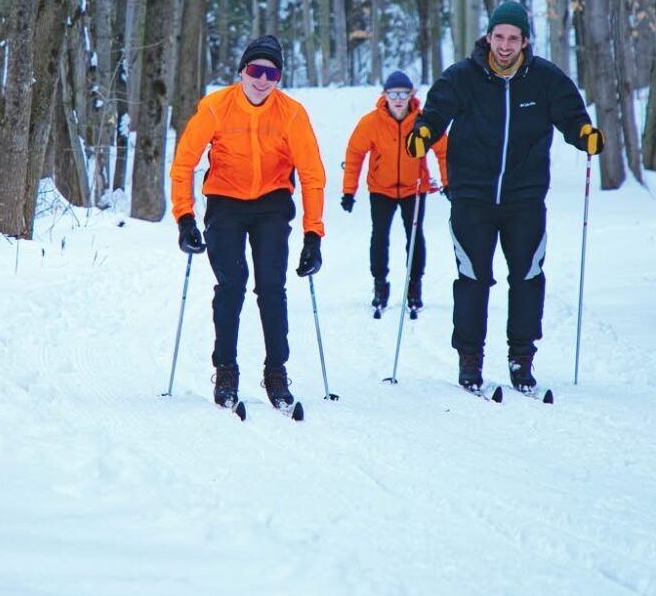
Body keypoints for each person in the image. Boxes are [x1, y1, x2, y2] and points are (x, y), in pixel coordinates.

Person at [407, 1, 601, 394]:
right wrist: (424, 133)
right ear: (489, 36)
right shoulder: (463, 76)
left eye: (514, 38)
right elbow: (436, 111)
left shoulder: (545, 79)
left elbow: (571, 115)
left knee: (528, 276)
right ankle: (470, 359)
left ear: (525, 40)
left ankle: (521, 357)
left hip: (524, 197)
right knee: (473, 278)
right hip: (472, 197)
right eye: (499, 36)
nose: (506, 45)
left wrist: (584, 134)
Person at [170, 35, 326, 412]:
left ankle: (276, 372)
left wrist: (313, 234)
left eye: (271, 73)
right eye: (255, 70)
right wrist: (184, 216)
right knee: (232, 284)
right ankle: (226, 369)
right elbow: (184, 163)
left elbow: (312, 174)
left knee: (272, 286)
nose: (262, 79)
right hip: (225, 202)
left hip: (272, 203)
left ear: (279, 78)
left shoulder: (291, 113)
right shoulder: (215, 107)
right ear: (242, 71)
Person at [341, 70, 448, 319]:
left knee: (414, 237)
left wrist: (448, 183)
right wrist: (349, 191)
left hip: (414, 189)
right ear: (385, 95)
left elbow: (444, 151)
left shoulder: (423, 121)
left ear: (411, 95)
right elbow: (354, 154)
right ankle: (380, 286)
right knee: (380, 236)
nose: (398, 99)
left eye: (403, 93)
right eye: (393, 94)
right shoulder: (371, 122)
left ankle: (414, 288)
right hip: (381, 189)